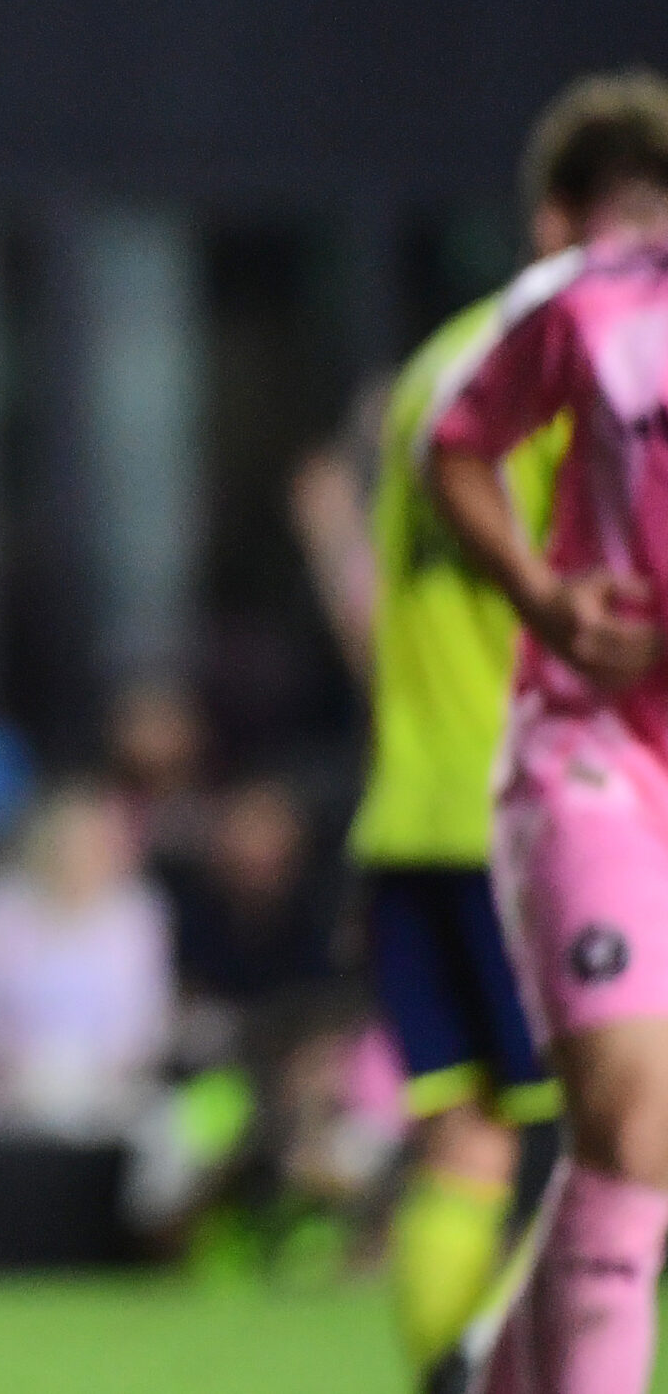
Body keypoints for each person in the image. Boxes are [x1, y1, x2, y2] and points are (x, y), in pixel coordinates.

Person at [297, 112, 576, 1378]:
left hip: (408, 813)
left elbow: (382, 625)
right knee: (611, 1137)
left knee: (465, 1138)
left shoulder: (430, 372)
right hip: (530, 810)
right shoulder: (586, 372)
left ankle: (444, 1375)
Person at [420, 68, 668, 1394]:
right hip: (589, 756)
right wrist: (543, 593)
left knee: (626, 1146)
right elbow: (451, 445)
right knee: (634, 1123)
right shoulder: (591, 308)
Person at [0, 784, 175, 1141]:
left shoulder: (137, 914)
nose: (81, 856)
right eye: (71, 841)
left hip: (103, 1107)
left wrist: (83, 1075)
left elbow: (147, 1026)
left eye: (96, 843)